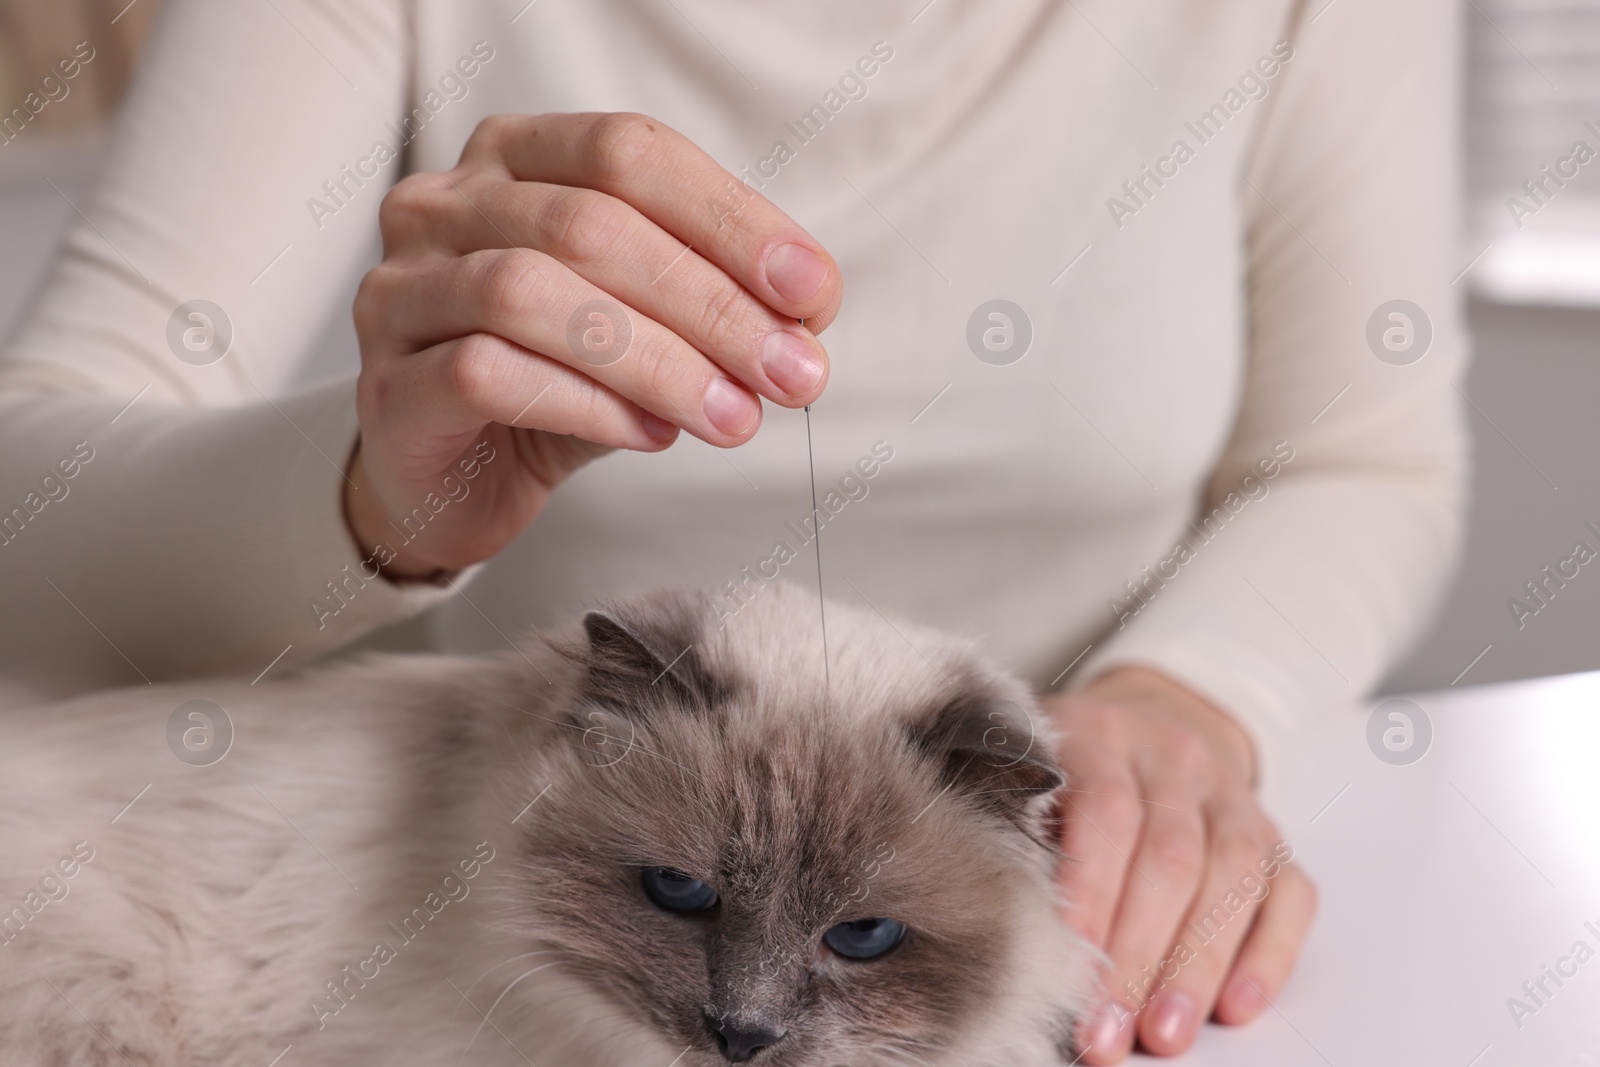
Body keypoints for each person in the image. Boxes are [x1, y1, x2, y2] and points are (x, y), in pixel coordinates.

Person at [0, 0, 1466, 1060]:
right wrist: (374, 490)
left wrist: (1191, 693)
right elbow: (28, 501)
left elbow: (1355, 457)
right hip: (514, 925)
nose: (747, 1022)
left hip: (1073, 889)